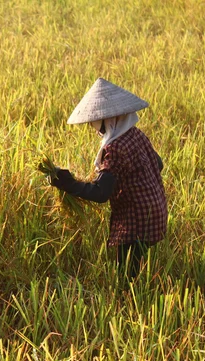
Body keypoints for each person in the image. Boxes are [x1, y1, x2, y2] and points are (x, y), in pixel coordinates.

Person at [49, 78, 167, 281]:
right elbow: (158, 164)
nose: (95, 129)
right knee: (135, 266)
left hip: (135, 219)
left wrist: (66, 182)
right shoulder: (135, 134)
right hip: (155, 210)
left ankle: (131, 305)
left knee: (128, 276)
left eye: (97, 122)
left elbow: (100, 193)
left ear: (110, 119)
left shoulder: (115, 148)